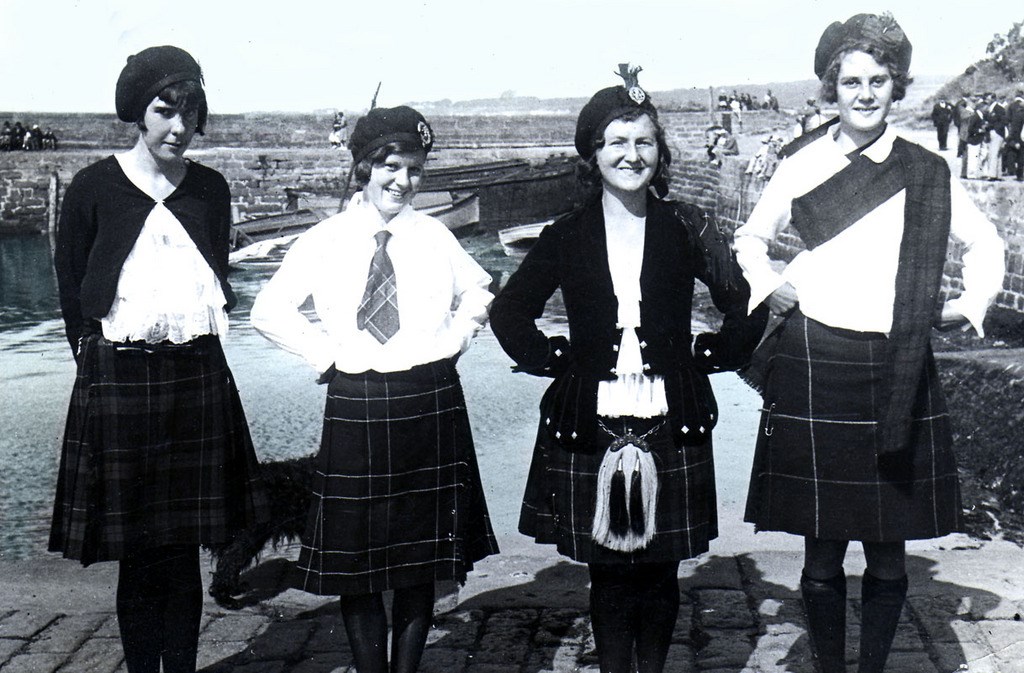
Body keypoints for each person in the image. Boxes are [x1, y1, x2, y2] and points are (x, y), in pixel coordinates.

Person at [733, 14, 1006, 673]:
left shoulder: (927, 167)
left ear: (896, 86)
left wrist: (965, 307)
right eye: (850, 80)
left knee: (888, 547)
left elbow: (987, 245)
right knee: (821, 550)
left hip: (898, 366)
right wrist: (771, 287)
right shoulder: (803, 164)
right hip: (815, 362)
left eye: (878, 80)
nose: (863, 93)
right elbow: (749, 240)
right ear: (831, 86)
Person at [490, 65, 767, 673]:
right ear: (593, 153)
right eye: (616, 142)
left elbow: (742, 302)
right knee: (609, 576)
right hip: (589, 418)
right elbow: (509, 312)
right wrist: (558, 361)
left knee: (662, 571)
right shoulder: (567, 233)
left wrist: (709, 356)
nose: (631, 155)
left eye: (644, 142)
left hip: (673, 416)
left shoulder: (685, 225)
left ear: (659, 152)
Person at [250, 105, 498, 673]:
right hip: (356, 399)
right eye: (389, 166)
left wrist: (456, 341)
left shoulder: (434, 234)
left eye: (413, 169)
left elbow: (481, 290)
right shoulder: (327, 238)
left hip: (429, 397)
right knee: (356, 563)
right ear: (364, 167)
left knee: (419, 560)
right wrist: (326, 355)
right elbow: (269, 310)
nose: (401, 181)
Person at [50, 45, 269, 673]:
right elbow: (73, 288)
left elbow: (213, 276)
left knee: (180, 551)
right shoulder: (94, 187)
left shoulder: (209, 189)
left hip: (196, 377)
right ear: (138, 113)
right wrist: (92, 364)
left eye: (190, 114)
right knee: (139, 552)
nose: (178, 127)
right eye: (164, 111)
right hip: (119, 377)